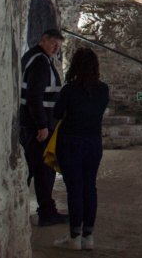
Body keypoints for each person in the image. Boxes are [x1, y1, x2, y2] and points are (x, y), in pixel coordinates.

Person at [52, 47, 109, 251]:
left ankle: (74, 236)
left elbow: (57, 113)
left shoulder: (69, 90)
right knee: (89, 188)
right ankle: (88, 236)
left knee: (74, 189)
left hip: (70, 141)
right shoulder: (103, 90)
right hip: (93, 142)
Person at [20, 28, 68, 226]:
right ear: (43, 40)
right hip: (38, 127)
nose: (56, 47)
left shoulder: (35, 58)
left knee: (34, 168)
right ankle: (47, 212)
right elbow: (34, 97)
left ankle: (32, 207)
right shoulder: (40, 62)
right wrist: (42, 126)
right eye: (53, 42)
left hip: (31, 124)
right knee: (44, 169)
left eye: (58, 44)